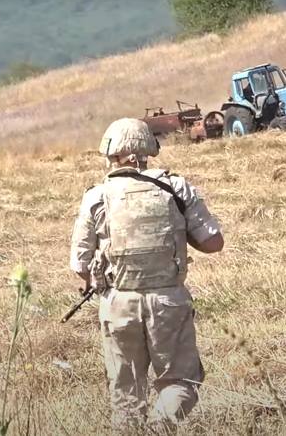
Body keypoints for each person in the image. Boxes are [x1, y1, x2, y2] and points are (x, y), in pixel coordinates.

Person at [69, 118, 224, 431]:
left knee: (126, 396)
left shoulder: (97, 196)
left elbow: (80, 266)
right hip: (169, 302)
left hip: (118, 304)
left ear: (110, 153)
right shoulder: (175, 187)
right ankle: (159, 428)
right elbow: (213, 243)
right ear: (149, 150)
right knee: (181, 382)